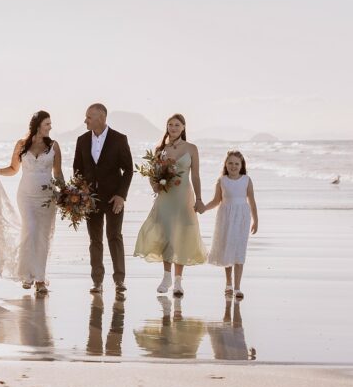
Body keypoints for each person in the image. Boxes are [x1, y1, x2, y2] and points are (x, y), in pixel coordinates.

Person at [0, 111, 64, 294]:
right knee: (29, 230)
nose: (50, 127)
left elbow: (58, 173)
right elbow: (13, 169)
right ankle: (26, 275)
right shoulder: (21, 144)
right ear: (38, 125)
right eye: (47, 124)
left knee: (42, 236)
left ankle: (39, 279)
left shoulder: (54, 146)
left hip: (47, 198)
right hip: (26, 196)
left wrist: (66, 193)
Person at [133, 114, 207, 296]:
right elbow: (153, 174)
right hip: (166, 197)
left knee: (181, 235)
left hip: (184, 197)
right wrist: (155, 184)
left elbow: (195, 176)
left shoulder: (191, 148)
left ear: (183, 127)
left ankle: (178, 282)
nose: (173, 128)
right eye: (170, 125)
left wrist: (198, 199)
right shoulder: (160, 149)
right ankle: (166, 278)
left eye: (177, 125)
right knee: (166, 235)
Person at [73, 103, 133, 294]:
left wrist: (121, 196)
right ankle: (97, 281)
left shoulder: (119, 139)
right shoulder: (82, 140)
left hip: (114, 198)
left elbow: (129, 170)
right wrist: (80, 195)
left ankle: (119, 280)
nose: (85, 120)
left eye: (89, 117)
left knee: (114, 237)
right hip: (90, 199)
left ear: (101, 118)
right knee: (95, 240)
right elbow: (78, 171)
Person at [203, 150, 259, 300]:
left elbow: (252, 201)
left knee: (239, 250)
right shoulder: (222, 180)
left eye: (236, 164)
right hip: (225, 217)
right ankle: (228, 283)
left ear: (241, 165)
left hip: (242, 218)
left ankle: (238, 287)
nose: (233, 166)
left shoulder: (246, 180)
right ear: (225, 165)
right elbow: (216, 201)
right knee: (227, 248)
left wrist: (256, 220)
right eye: (230, 163)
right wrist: (203, 208)